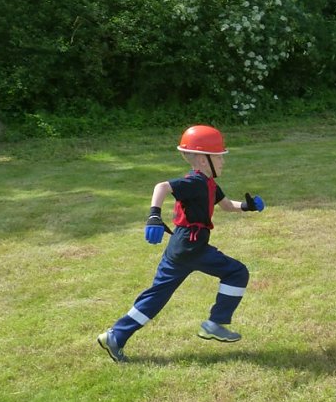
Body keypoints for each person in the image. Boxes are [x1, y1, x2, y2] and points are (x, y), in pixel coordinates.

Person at [97, 125, 265, 363]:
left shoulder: (208, 184)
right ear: (203, 160)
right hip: (191, 246)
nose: (223, 162)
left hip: (180, 246)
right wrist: (154, 215)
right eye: (219, 157)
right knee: (237, 272)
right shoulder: (195, 181)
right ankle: (215, 323)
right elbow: (162, 187)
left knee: (157, 295)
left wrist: (248, 206)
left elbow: (227, 205)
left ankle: (115, 335)